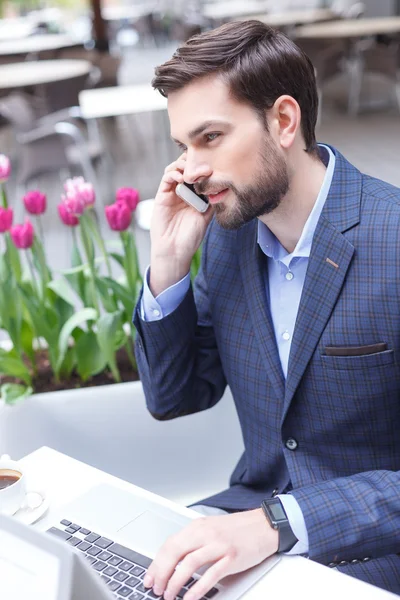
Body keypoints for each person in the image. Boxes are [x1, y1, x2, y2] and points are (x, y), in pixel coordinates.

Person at [133, 19, 400, 599]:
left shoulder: (393, 238)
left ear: (283, 121)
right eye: (183, 146)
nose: (192, 171)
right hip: (246, 523)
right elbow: (175, 396)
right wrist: (169, 267)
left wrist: (280, 524)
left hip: (373, 553)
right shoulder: (227, 241)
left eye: (210, 137)